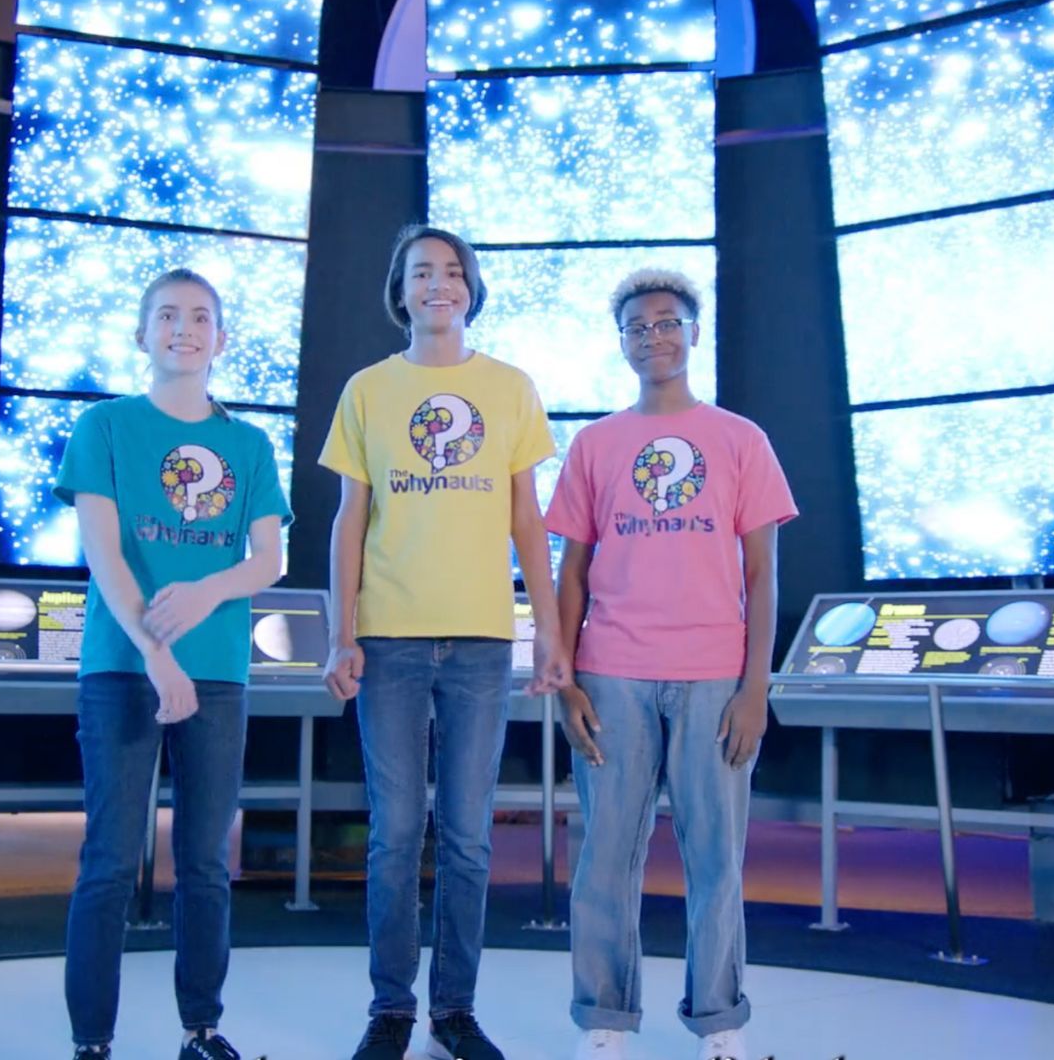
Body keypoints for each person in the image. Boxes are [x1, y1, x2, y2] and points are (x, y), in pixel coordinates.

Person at [320, 224, 567, 1060]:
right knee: (394, 834)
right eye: (422, 271)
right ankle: (391, 1008)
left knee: (466, 836)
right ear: (400, 290)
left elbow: (527, 518)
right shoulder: (367, 390)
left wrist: (551, 629)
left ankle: (453, 1010)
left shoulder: (510, 387)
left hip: (481, 644)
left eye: (453, 271)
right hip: (388, 639)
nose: (439, 284)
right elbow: (350, 521)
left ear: (471, 288)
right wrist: (341, 635)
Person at [545, 269, 797, 1060]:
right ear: (620, 343)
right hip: (611, 674)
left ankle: (720, 1023)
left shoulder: (740, 439)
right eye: (637, 327)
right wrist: (566, 679)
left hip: (716, 678)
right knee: (606, 860)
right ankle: (606, 1022)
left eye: (667, 322)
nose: (654, 336)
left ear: (693, 332)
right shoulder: (594, 443)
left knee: (716, 861)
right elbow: (571, 574)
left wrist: (757, 688)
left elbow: (762, 572)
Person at [58, 269, 290, 1060]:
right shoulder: (105, 428)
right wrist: (157, 656)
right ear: (142, 333)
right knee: (111, 861)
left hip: (220, 672)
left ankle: (202, 1029)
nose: (183, 328)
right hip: (123, 671)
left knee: (204, 863)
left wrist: (204, 591)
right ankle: (92, 1041)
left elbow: (268, 559)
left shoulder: (248, 444)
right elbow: (106, 556)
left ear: (221, 340)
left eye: (200, 318)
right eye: (167, 316)